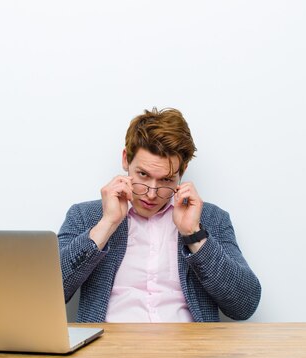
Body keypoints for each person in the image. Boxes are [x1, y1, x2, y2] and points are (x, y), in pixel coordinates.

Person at [58, 107, 261, 322]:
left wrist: (194, 235)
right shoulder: (84, 216)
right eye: (143, 175)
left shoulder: (211, 219)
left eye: (166, 180)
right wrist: (106, 224)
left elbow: (245, 305)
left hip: (189, 350)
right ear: (126, 159)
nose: (152, 193)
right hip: (109, 349)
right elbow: (49, 293)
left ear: (182, 171)